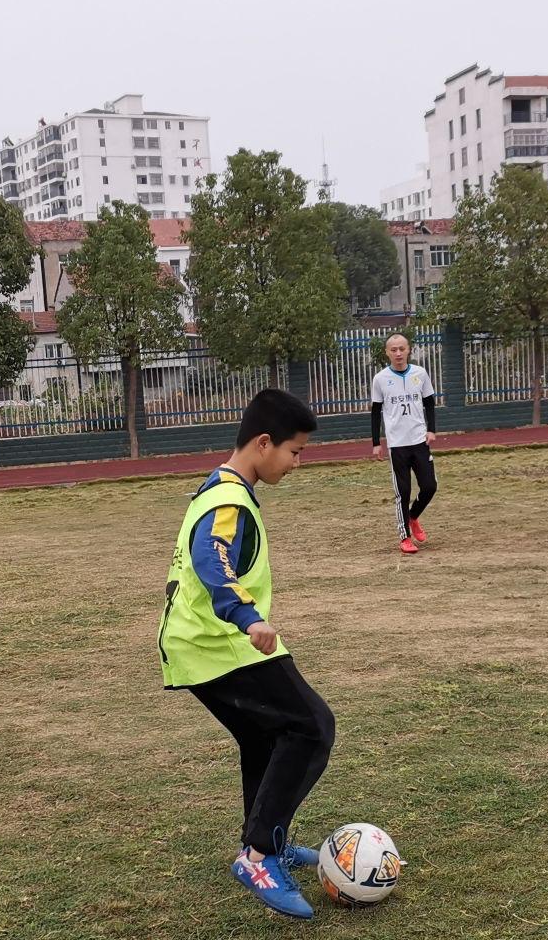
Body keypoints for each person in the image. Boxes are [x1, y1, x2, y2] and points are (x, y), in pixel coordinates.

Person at [157, 388, 334, 920]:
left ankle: (267, 841)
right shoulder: (228, 502)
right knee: (310, 726)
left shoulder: (222, 486)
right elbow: (212, 560)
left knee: (267, 737)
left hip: (208, 643)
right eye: (294, 451)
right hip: (216, 645)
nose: (297, 463)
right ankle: (258, 857)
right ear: (263, 443)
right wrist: (248, 616)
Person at [370, 333, 439, 555]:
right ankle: (405, 537)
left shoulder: (420, 374)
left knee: (430, 486)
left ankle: (413, 516)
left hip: (419, 440)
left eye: (402, 349)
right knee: (403, 491)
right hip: (397, 444)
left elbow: (429, 403)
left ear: (409, 350)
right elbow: (375, 412)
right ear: (387, 353)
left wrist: (431, 430)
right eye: (393, 350)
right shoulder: (380, 379)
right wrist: (376, 442)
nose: (398, 353)